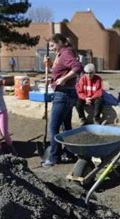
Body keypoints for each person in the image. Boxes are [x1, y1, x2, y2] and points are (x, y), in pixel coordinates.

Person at [41, 33, 83, 168]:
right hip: (68, 94)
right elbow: (60, 72)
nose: (51, 48)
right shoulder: (61, 54)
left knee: (53, 128)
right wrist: (49, 69)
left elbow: (77, 67)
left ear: (60, 42)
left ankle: (53, 157)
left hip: (63, 95)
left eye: (53, 45)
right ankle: (69, 153)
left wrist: (63, 80)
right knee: (66, 127)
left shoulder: (65, 53)